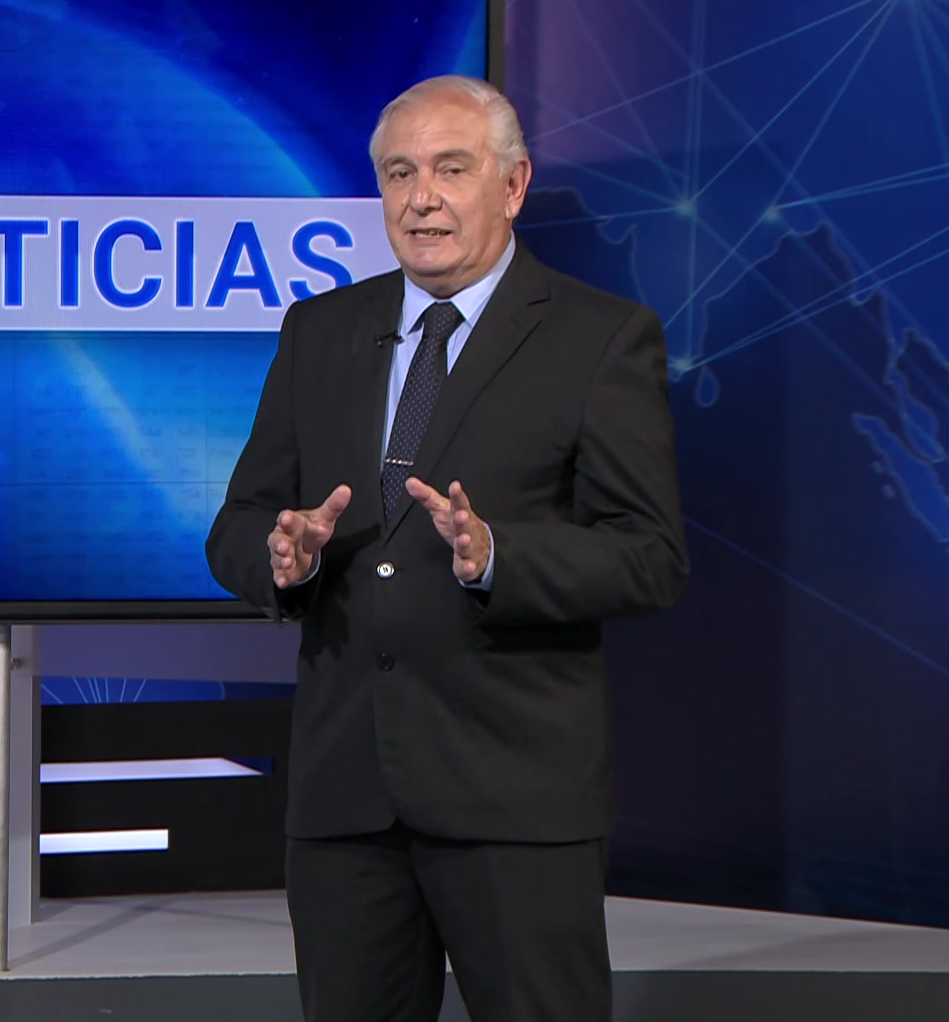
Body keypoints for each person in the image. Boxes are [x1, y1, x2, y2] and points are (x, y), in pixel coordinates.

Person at [205, 75, 688, 1022]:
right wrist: (283, 555)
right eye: (399, 173)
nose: (421, 197)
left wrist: (499, 557)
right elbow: (240, 522)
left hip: (514, 796)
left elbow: (649, 554)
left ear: (512, 185)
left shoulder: (599, 338)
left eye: (450, 169)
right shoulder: (320, 331)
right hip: (346, 799)